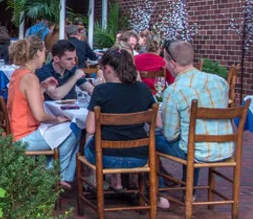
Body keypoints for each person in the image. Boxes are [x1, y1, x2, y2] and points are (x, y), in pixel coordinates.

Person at [84, 49, 170, 209]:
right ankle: (155, 193)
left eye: (103, 69)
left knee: (88, 139)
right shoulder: (143, 89)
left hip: (106, 157)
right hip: (139, 157)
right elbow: (158, 123)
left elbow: (90, 127)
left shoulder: (101, 90)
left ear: (108, 69)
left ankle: (94, 182)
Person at [158, 40, 233, 188]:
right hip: (225, 148)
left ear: (172, 63)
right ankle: (189, 190)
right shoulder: (220, 82)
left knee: (152, 140)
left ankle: (160, 192)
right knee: (190, 134)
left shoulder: (174, 91)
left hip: (195, 151)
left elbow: (170, 134)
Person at [7, 37, 79, 189]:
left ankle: (51, 171)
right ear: (37, 53)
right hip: (25, 137)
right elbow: (40, 116)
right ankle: (54, 174)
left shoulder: (19, 73)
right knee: (74, 129)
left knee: (65, 130)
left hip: (15, 131)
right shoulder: (30, 77)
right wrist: (57, 120)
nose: (45, 55)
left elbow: (24, 98)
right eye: (44, 51)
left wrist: (43, 88)